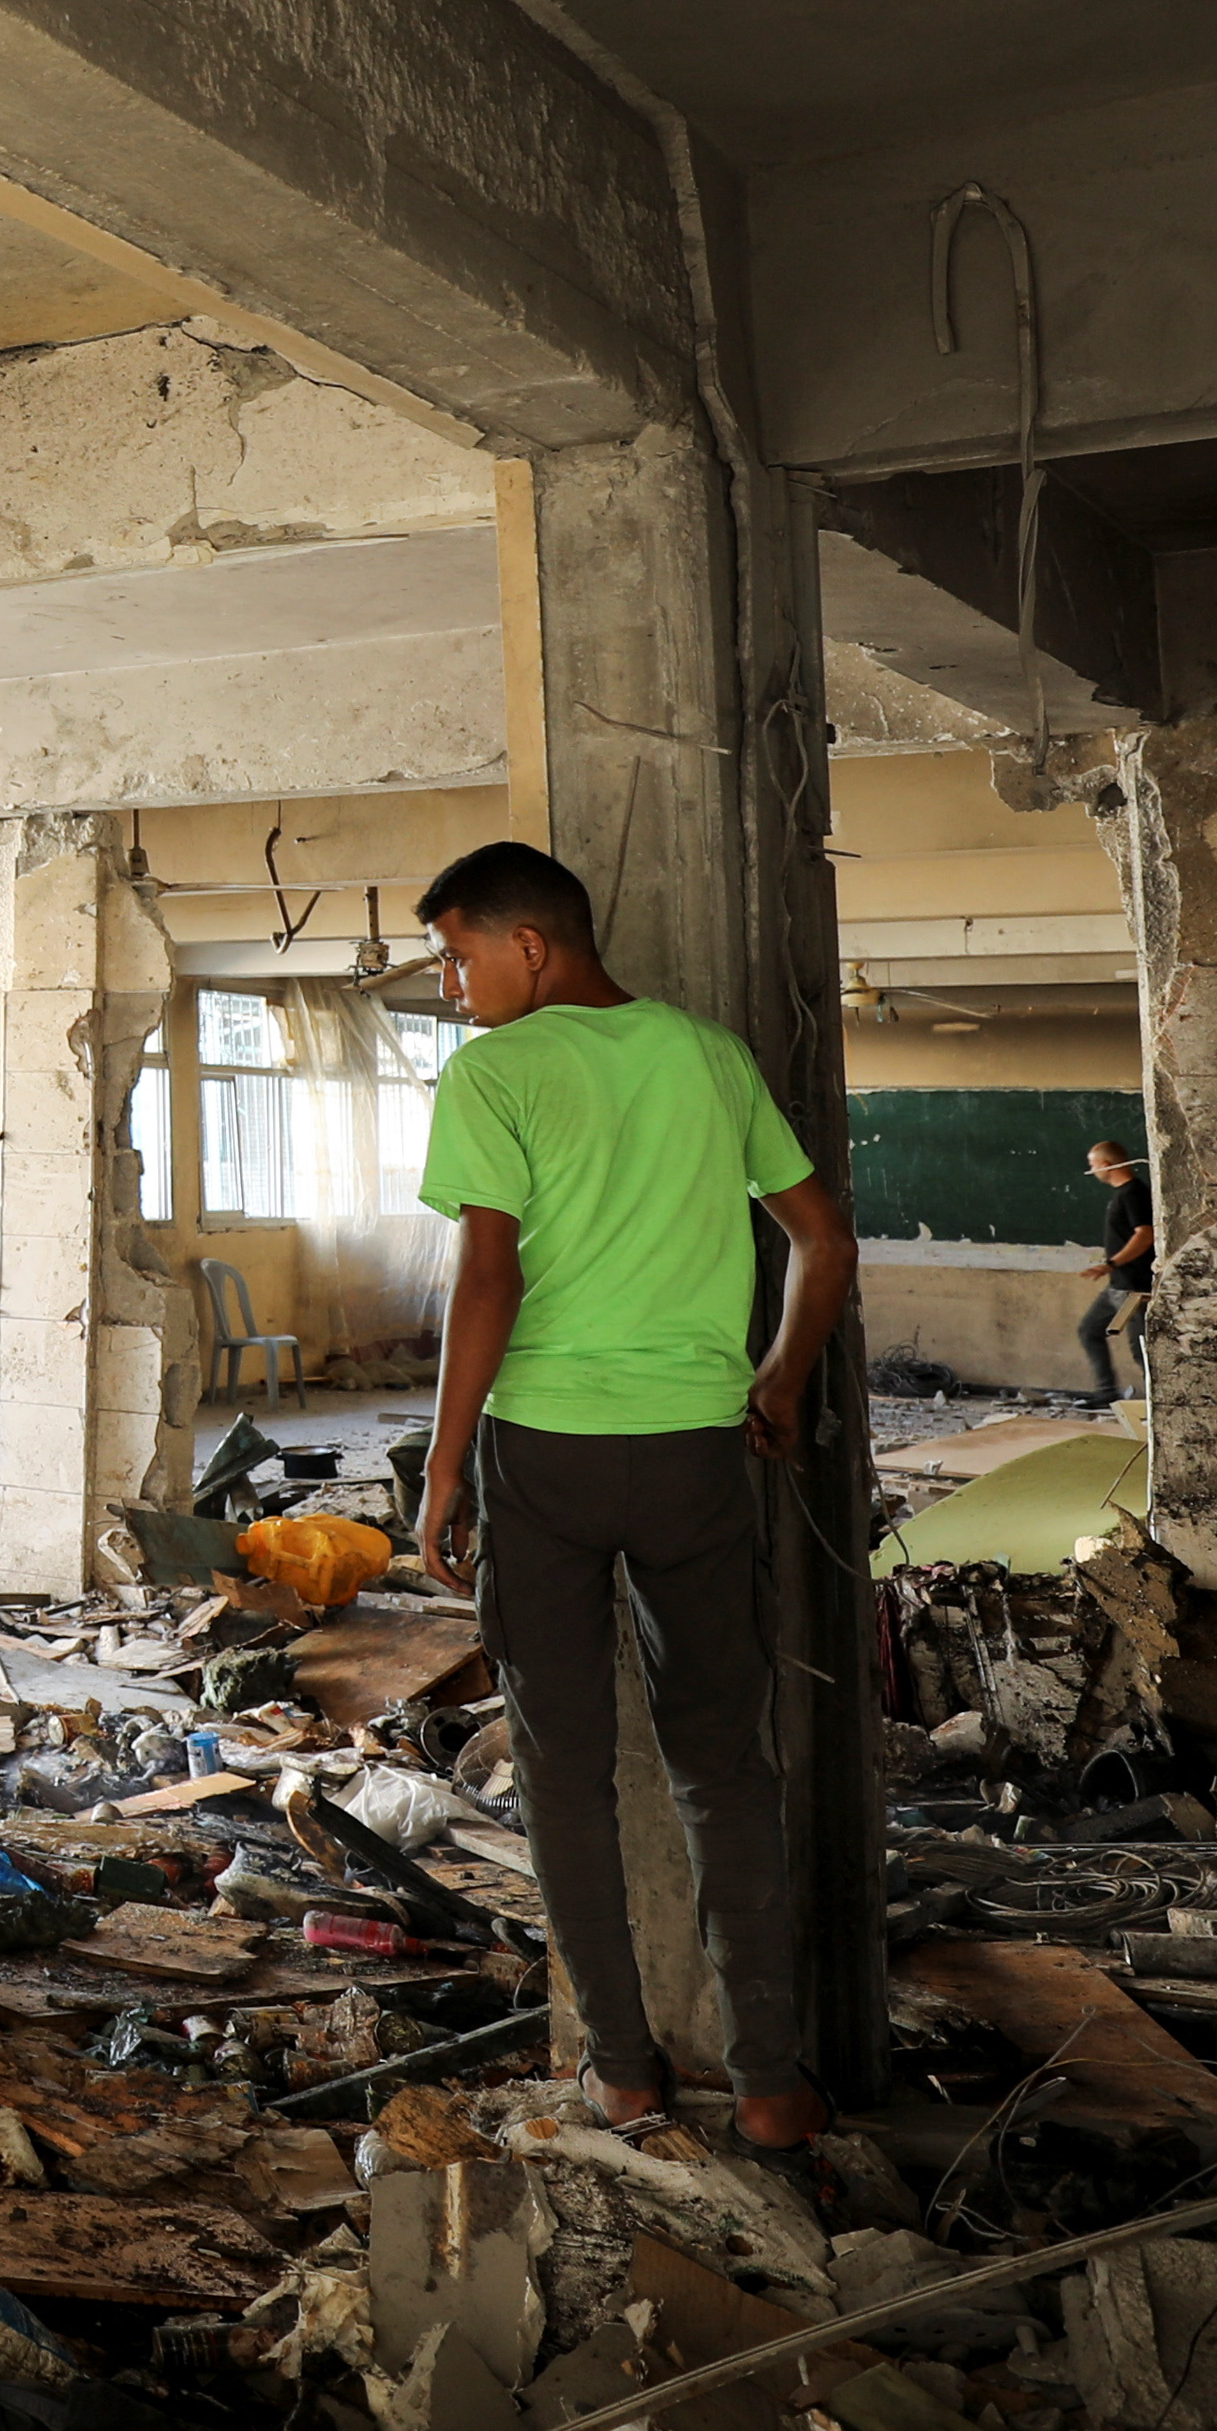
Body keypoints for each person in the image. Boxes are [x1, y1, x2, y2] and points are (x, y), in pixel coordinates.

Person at [402, 840, 857, 2153]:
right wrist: (780, 1377)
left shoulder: (492, 1072)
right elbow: (822, 1238)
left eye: (458, 950)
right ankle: (770, 2081)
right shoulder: (709, 1055)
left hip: (544, 1455)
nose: (451, 981)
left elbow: (488, 1279)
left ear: (529, 943)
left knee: (566, 1771)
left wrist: (444, 1463)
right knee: (725, 1765)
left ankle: (621, 2072)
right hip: (699, 1457)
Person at [1081, 1136, 1156, 1405]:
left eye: (1093, 1165)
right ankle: (1106, 1392)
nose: (1093, 1171)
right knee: (1089, 1331)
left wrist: (1112, 1263)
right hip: (1118, 1286)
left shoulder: (1134, 1194)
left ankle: (1161, 1403)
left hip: (1135, 1287)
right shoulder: (1121, 1195)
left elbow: (1145, 1235)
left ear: (1105, 1164)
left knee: (1142, 1350)